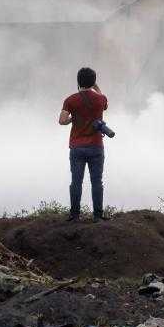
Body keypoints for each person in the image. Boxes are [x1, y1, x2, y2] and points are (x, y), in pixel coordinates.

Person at [58, 66, 109, 222]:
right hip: (96, 146)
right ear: (93, 82)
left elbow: (62, 121)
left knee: (76, 182)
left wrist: (73, 118)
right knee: (97, 182)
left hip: (77, 147)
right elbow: (104, 100)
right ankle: (98, 216)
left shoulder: (70, 100)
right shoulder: (101, 99)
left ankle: (74, 215)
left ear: (78, 81)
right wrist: (95, 86)